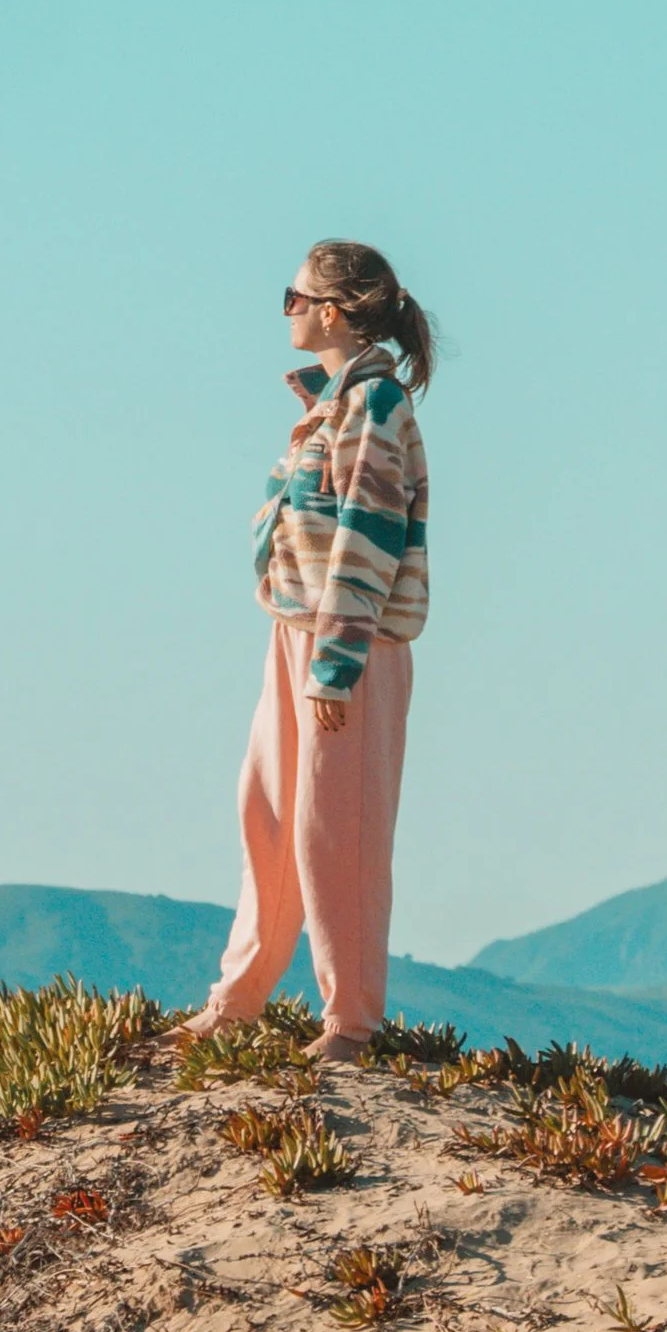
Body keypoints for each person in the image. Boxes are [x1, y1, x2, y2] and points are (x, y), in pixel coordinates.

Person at [182, 241, 434, 1065]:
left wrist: (336, 662)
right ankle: (241, 997)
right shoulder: (335, 404)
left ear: (331, 310)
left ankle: (352, 1023)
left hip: (346, 645)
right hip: (295, 632)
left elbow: (370, 533)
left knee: (340, 830)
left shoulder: (376, 407)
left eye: (293, 296)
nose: (285, 310)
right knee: (270, 812)